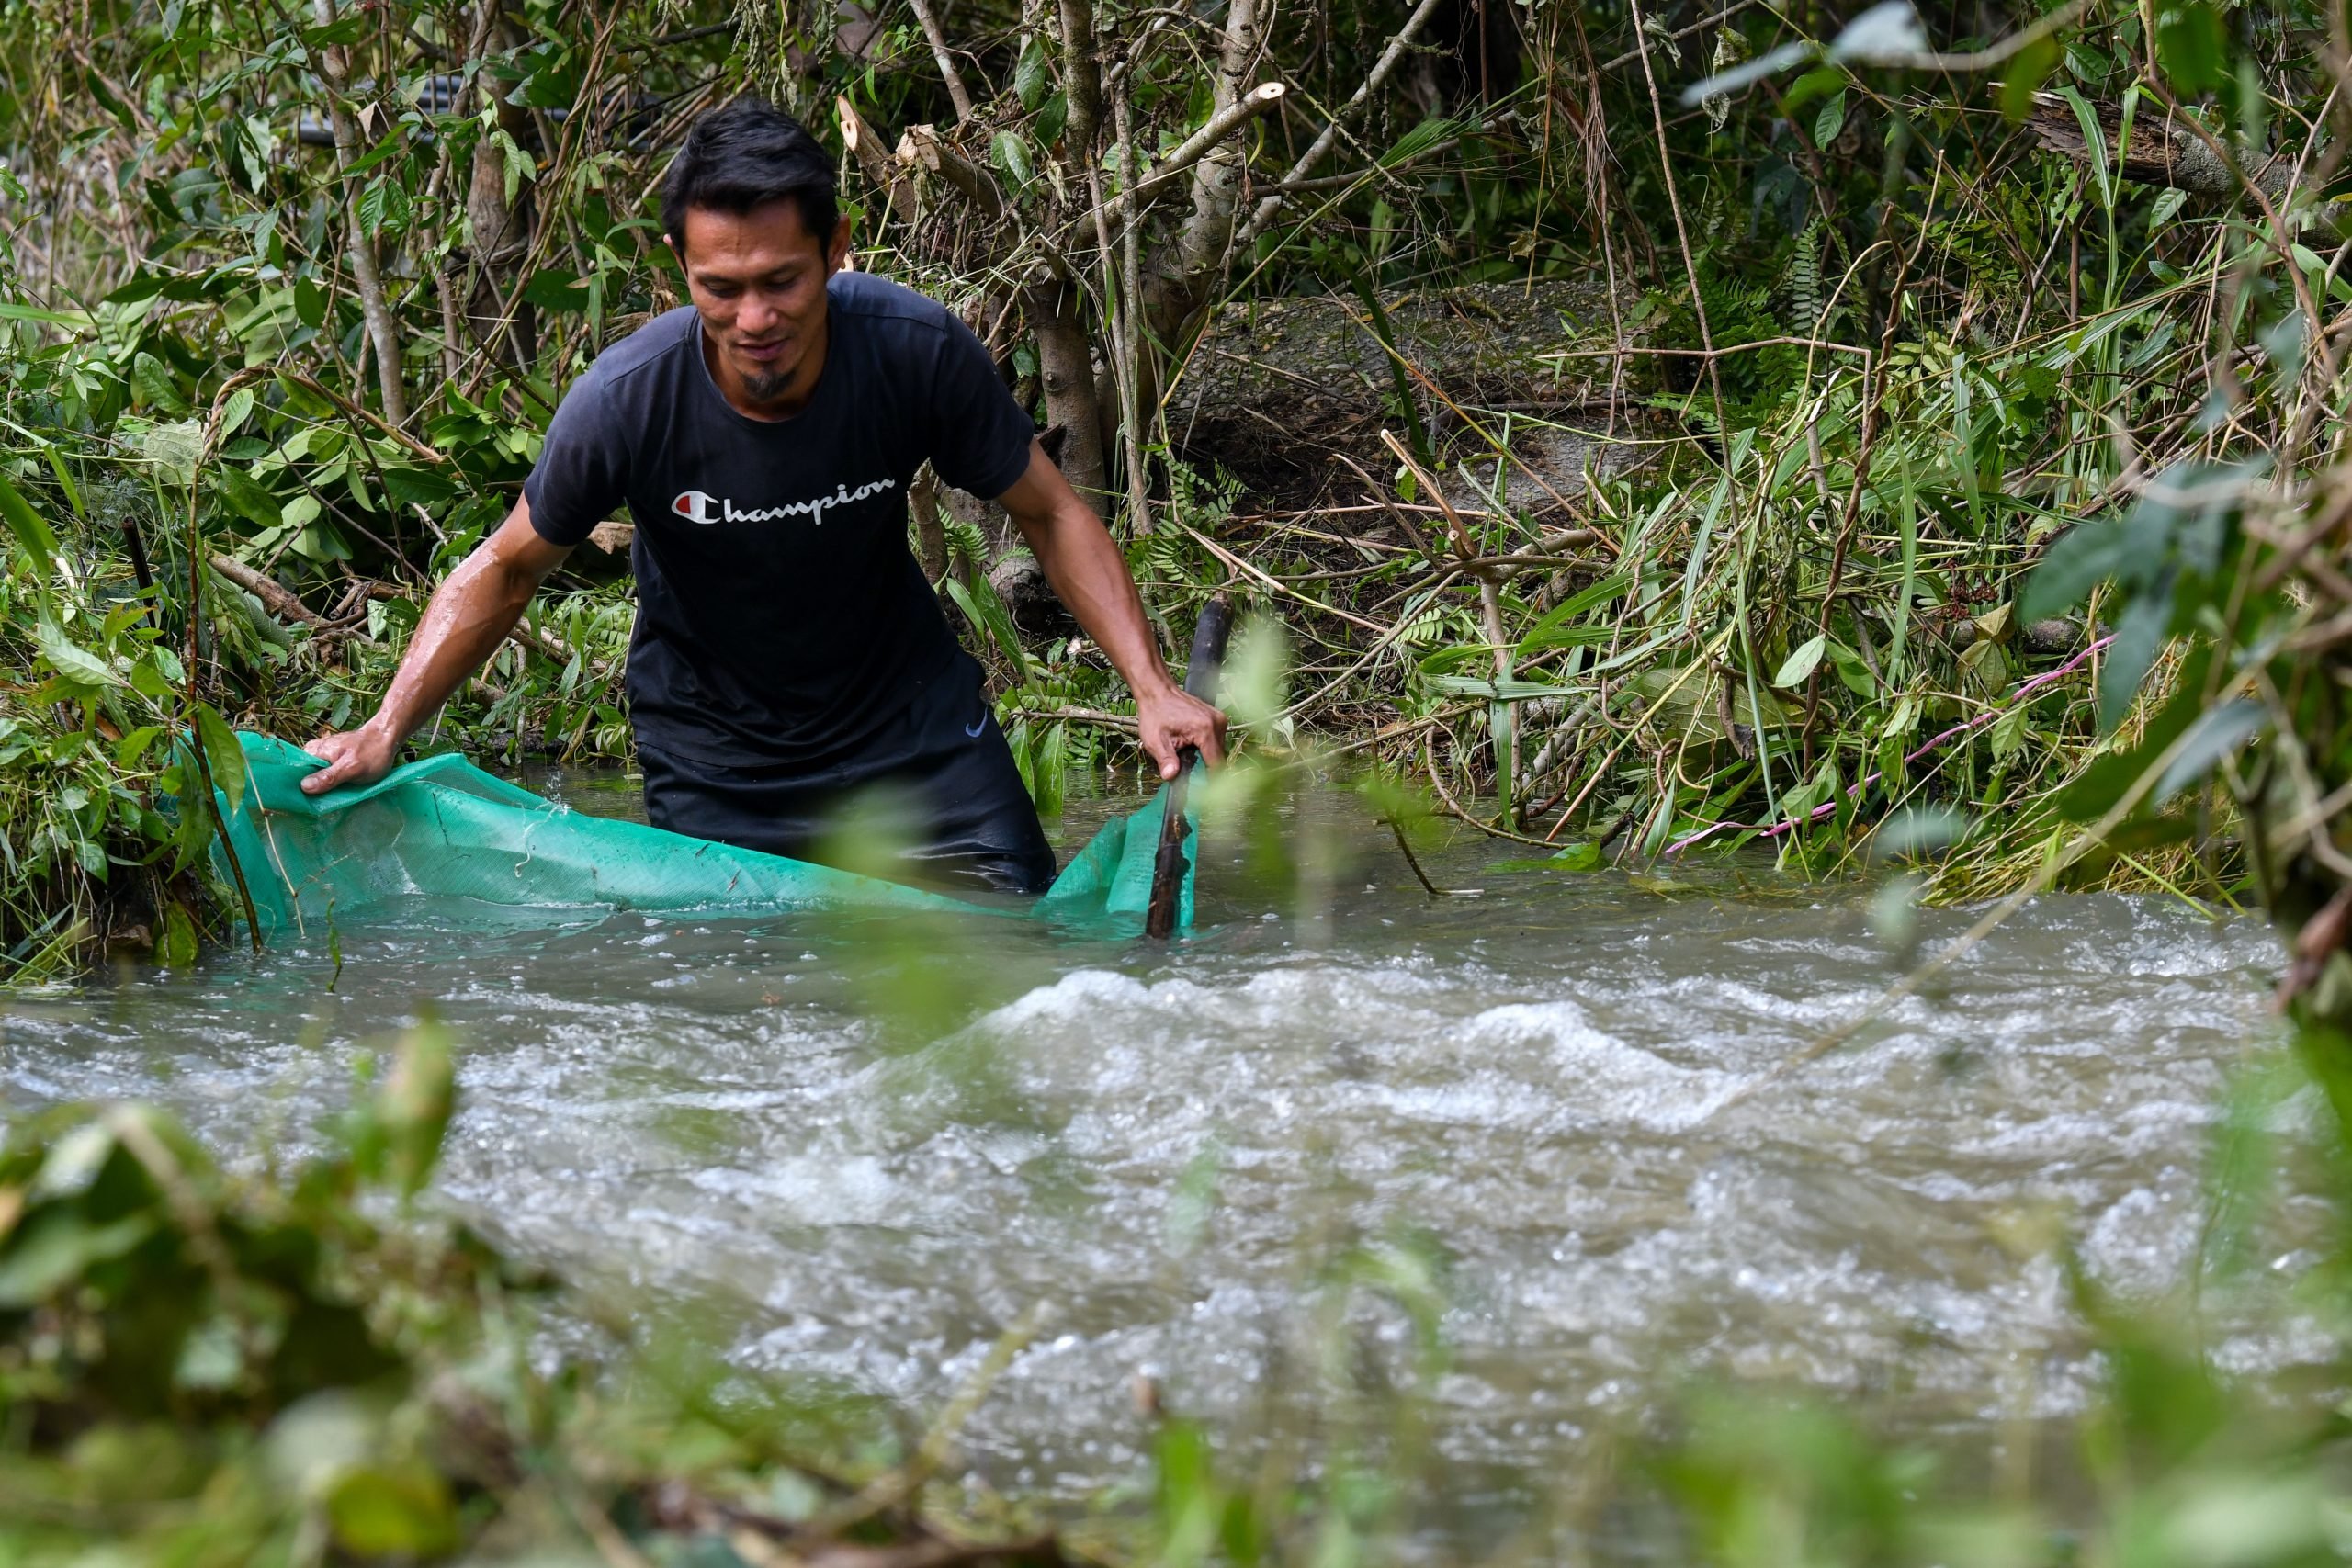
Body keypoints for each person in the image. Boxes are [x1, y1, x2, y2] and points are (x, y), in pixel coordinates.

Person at [300, 97, 1226, 894]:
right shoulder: (628, 401)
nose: (755, 321)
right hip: (718, 764)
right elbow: (505, 570)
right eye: (722, 289)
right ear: (678, 268)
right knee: (744, 1009)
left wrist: (1150, 687)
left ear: (834, 250)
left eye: (781, 281)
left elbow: (1051, 509)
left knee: (1021, 951)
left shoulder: (913, 351)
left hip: (916, 741)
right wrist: (384, 729)